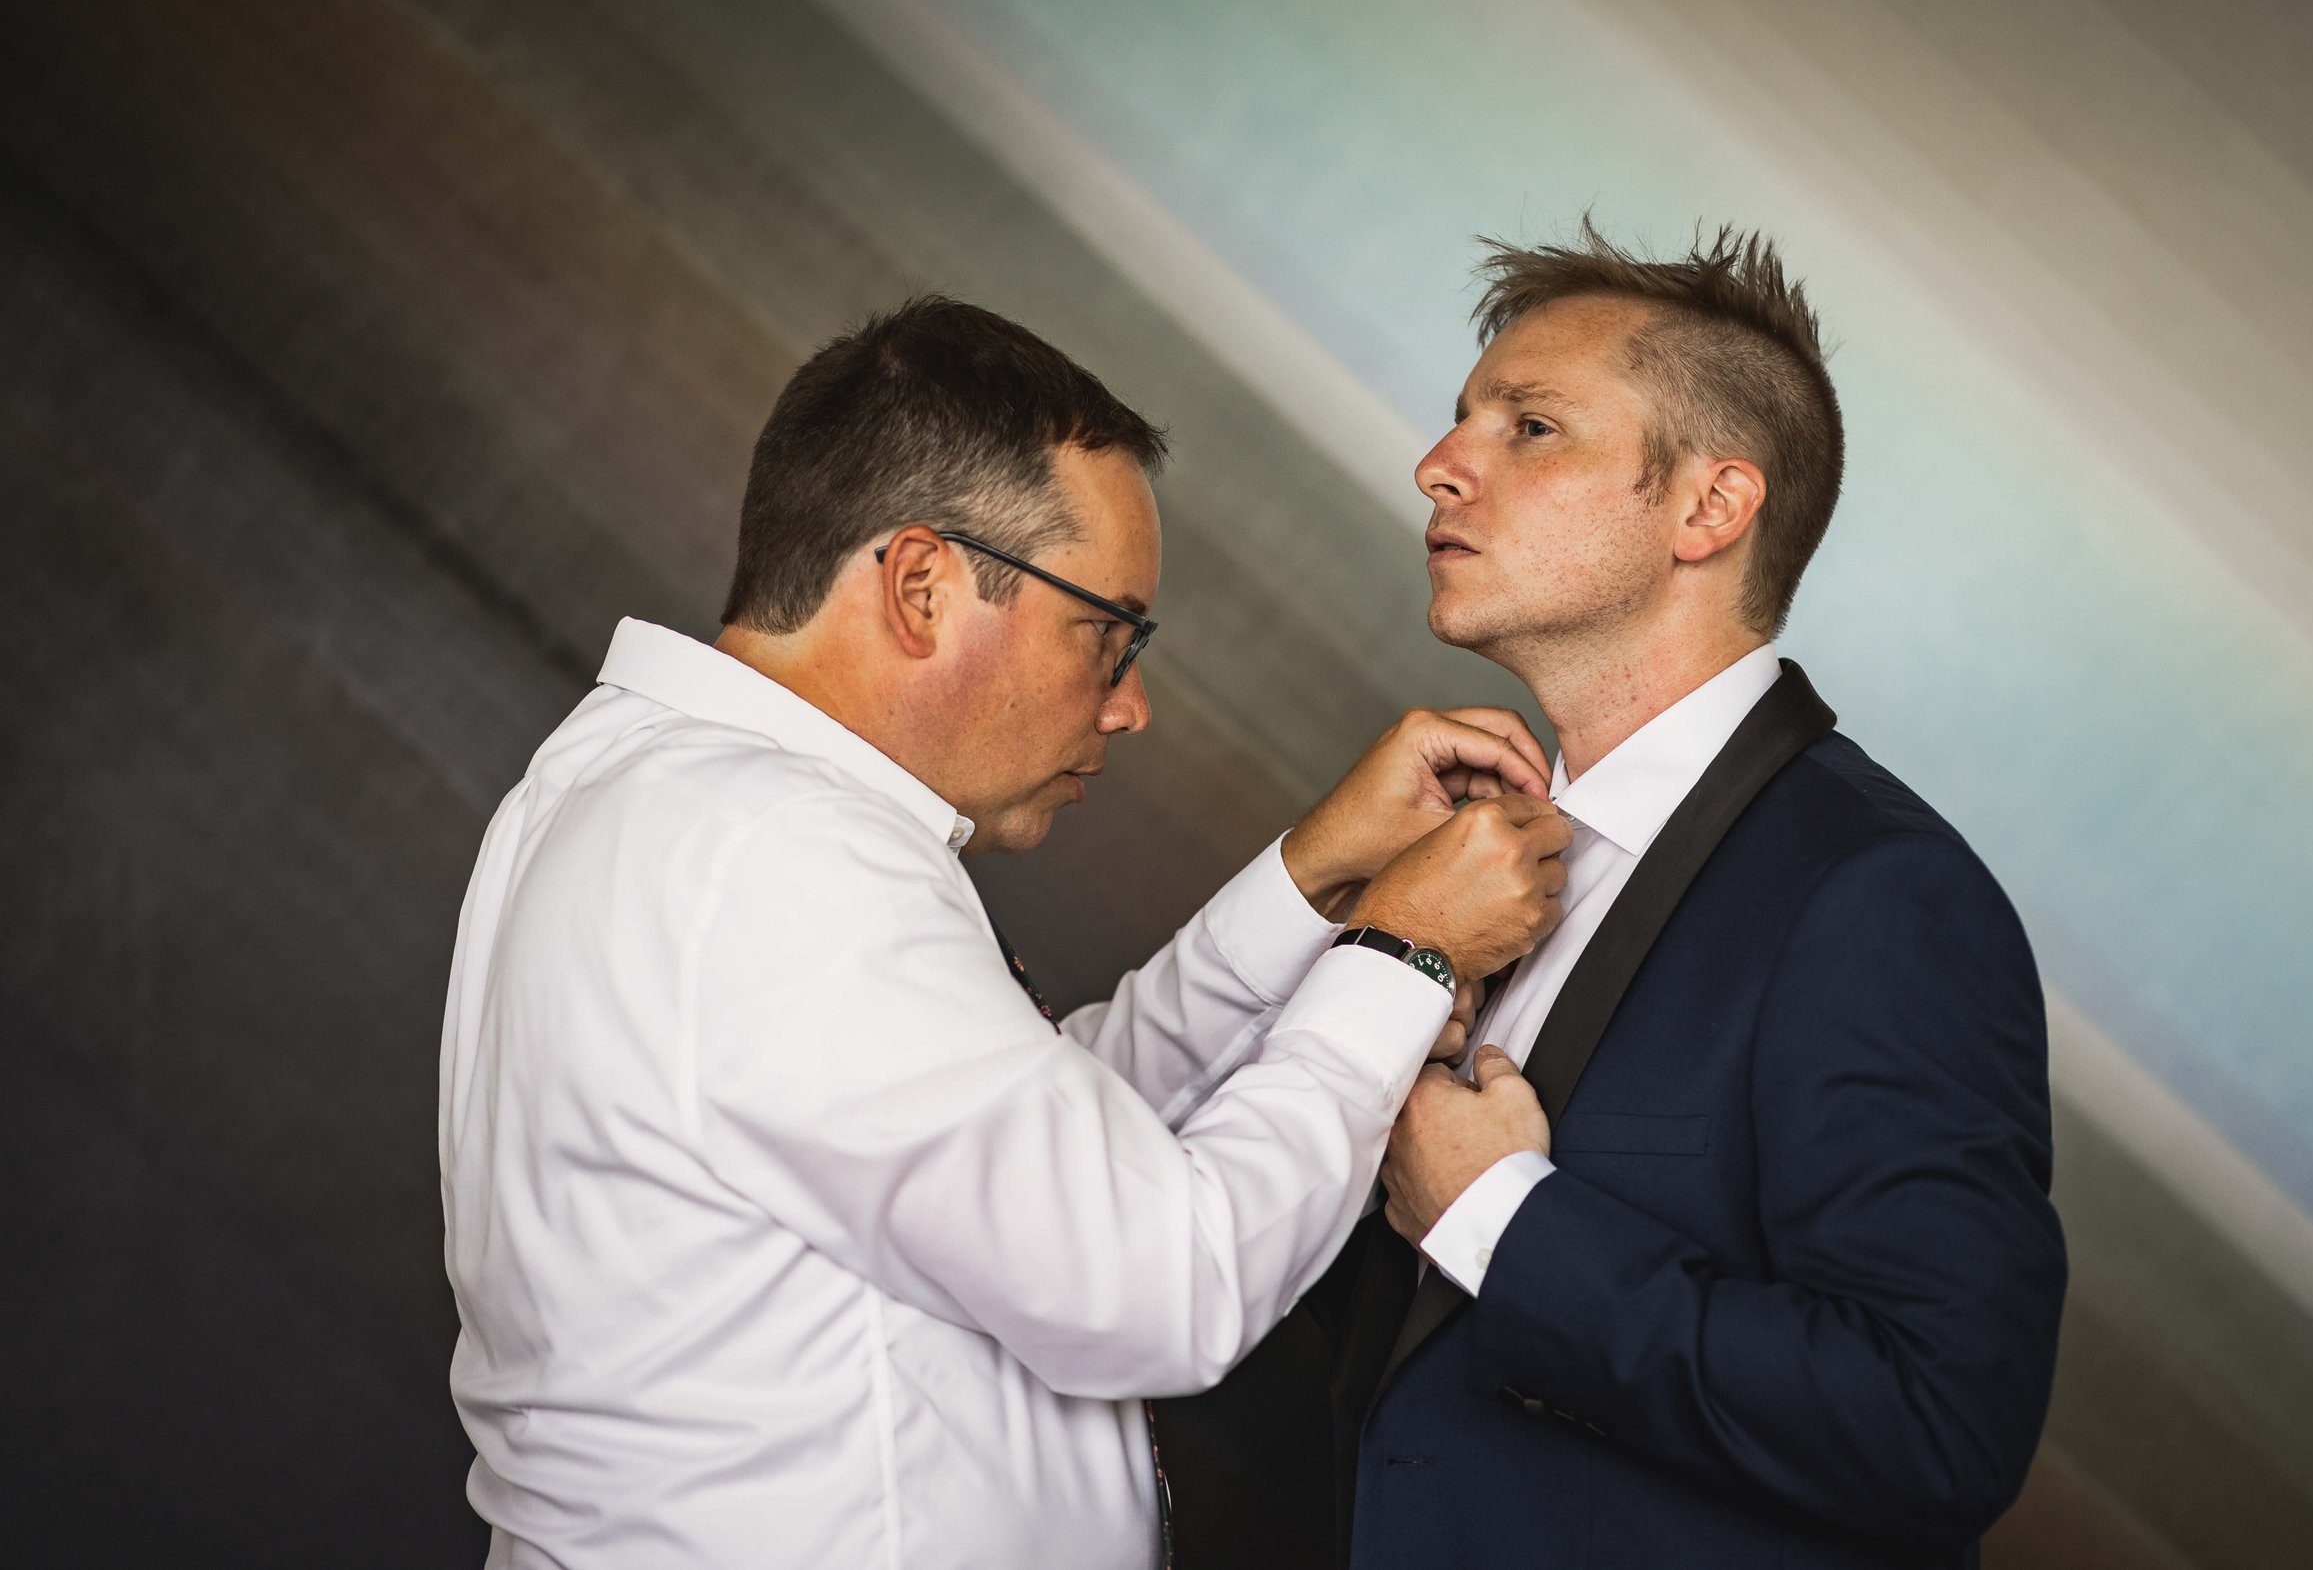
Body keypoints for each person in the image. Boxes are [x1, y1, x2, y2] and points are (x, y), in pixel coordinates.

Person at [437, 295, 1573, 1569]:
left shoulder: (659, 794)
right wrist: (1402, 954)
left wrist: (1312, 881)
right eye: (1109, 631)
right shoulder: (775, 855)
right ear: (923, 584)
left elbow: (1034, 1145)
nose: (1131, 704)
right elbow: (1159, 1281)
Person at [1320, 226, 2067, 1569]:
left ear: (1710, 509)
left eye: (1531, 425)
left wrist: (1502, 1216)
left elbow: (1937, 1420)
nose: (1440, 462)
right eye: (1459, 419)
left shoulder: (1876, 895)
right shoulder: (1473, 855)